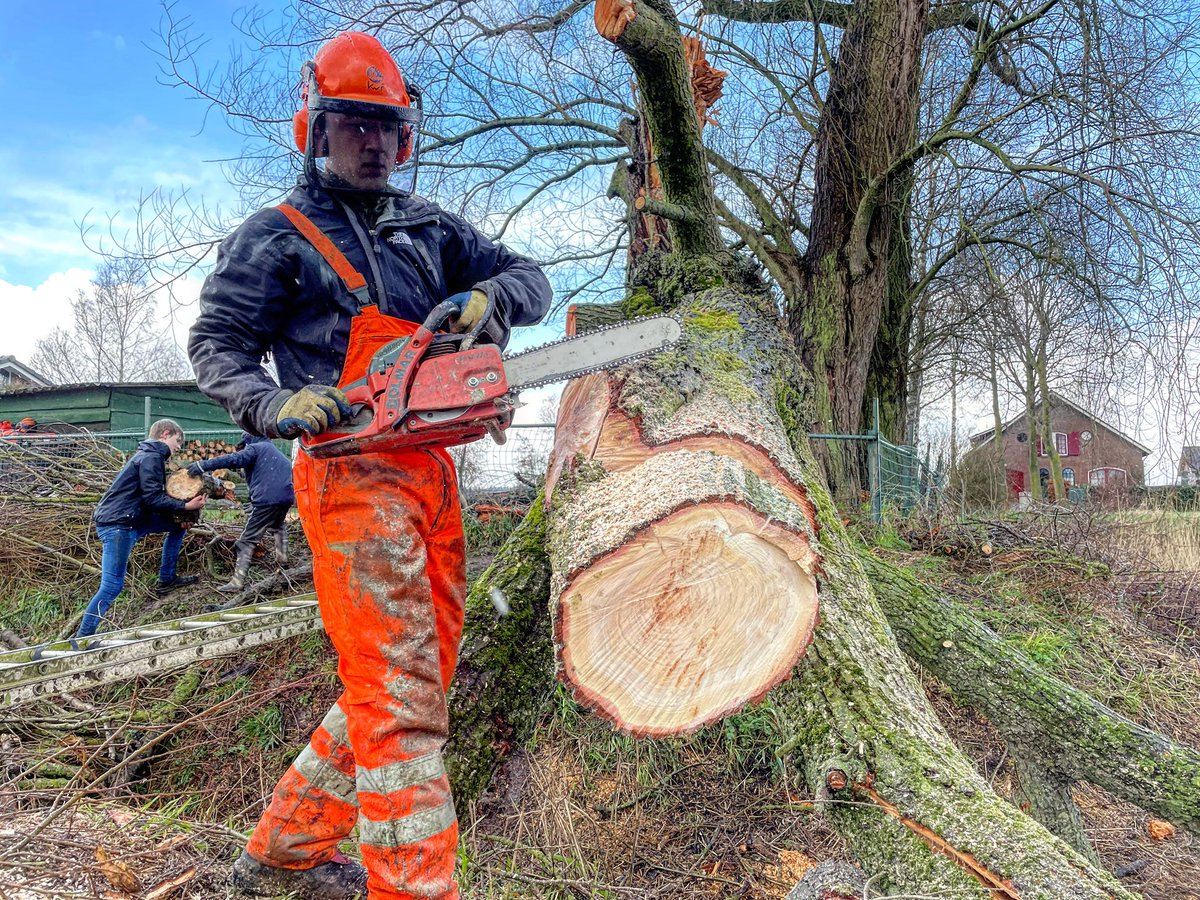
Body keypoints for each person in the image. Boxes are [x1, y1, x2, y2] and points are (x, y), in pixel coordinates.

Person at [187, 30, 552, 900]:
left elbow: (531, 279)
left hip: (430, 472)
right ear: (315, 127)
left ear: (407, 133)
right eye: (355, 125)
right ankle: (411, 888)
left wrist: (490, 297)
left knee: (408, 681)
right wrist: (273, 407)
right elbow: (218, 343)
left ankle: (279, 858)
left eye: (387, 127)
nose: (374, 143)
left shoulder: (431, 230)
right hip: (351, 477)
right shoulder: (275, 238)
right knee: (400, 704)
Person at [75, 419, 206, 640]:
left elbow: (149, 499)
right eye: (177, 441)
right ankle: (82, 638)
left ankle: (167, 578)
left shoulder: (148, 455)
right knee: (112, 585)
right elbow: (153, 498)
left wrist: (181, 516)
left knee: (178, 526)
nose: (179, 447)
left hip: (133, 519)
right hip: (118, 524)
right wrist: (185, 506)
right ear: (165, 434)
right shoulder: (151, 457)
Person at [186, 433, 296, 593]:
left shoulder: (254, 448)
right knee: (278, 526)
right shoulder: (273, 451)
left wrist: (203, 465)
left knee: (246, 542)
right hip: (286, 497)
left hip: (267, 499)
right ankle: (283, 560)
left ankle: (237, 582)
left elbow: (232, 459)